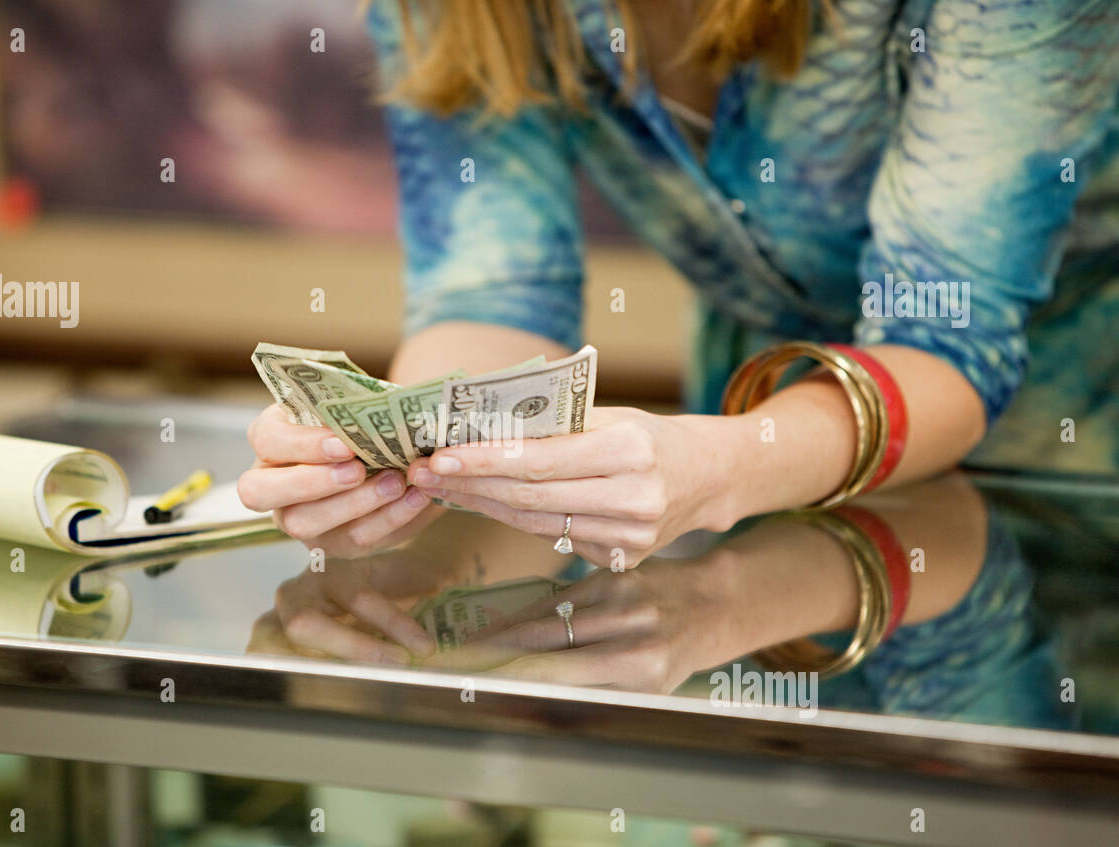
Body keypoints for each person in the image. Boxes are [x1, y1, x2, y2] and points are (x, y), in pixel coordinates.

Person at [238, 0, 1119, 567]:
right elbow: (494, 295)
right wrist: (386, 453)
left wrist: (724, 467)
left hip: (1079, 458)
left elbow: (944, 336)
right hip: (748, 446)